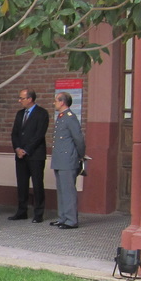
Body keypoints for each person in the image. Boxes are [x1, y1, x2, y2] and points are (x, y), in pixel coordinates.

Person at [8, 89, 49, 223]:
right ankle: (22, 211)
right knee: (22, 184)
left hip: (35, 155)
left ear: (30, 99)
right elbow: (15, 133)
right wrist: (17, 149)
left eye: (22, 98)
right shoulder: (20, 114)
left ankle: (38, 213)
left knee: (37, 184)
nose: (19, 101)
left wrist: (26, 150)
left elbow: (39, 135)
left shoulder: (42, 113)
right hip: (20, 156)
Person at [49, 92, 86, 229]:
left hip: (68, 159)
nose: (54, 103)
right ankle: (62, 217)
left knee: (68, 191)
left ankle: (71, 220)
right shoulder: (61, 117)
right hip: (60, 159)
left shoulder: (70, 118)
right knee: (61, 190)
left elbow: (79, 139)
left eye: (56, 100)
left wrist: (80, 155)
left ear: (62, 102)